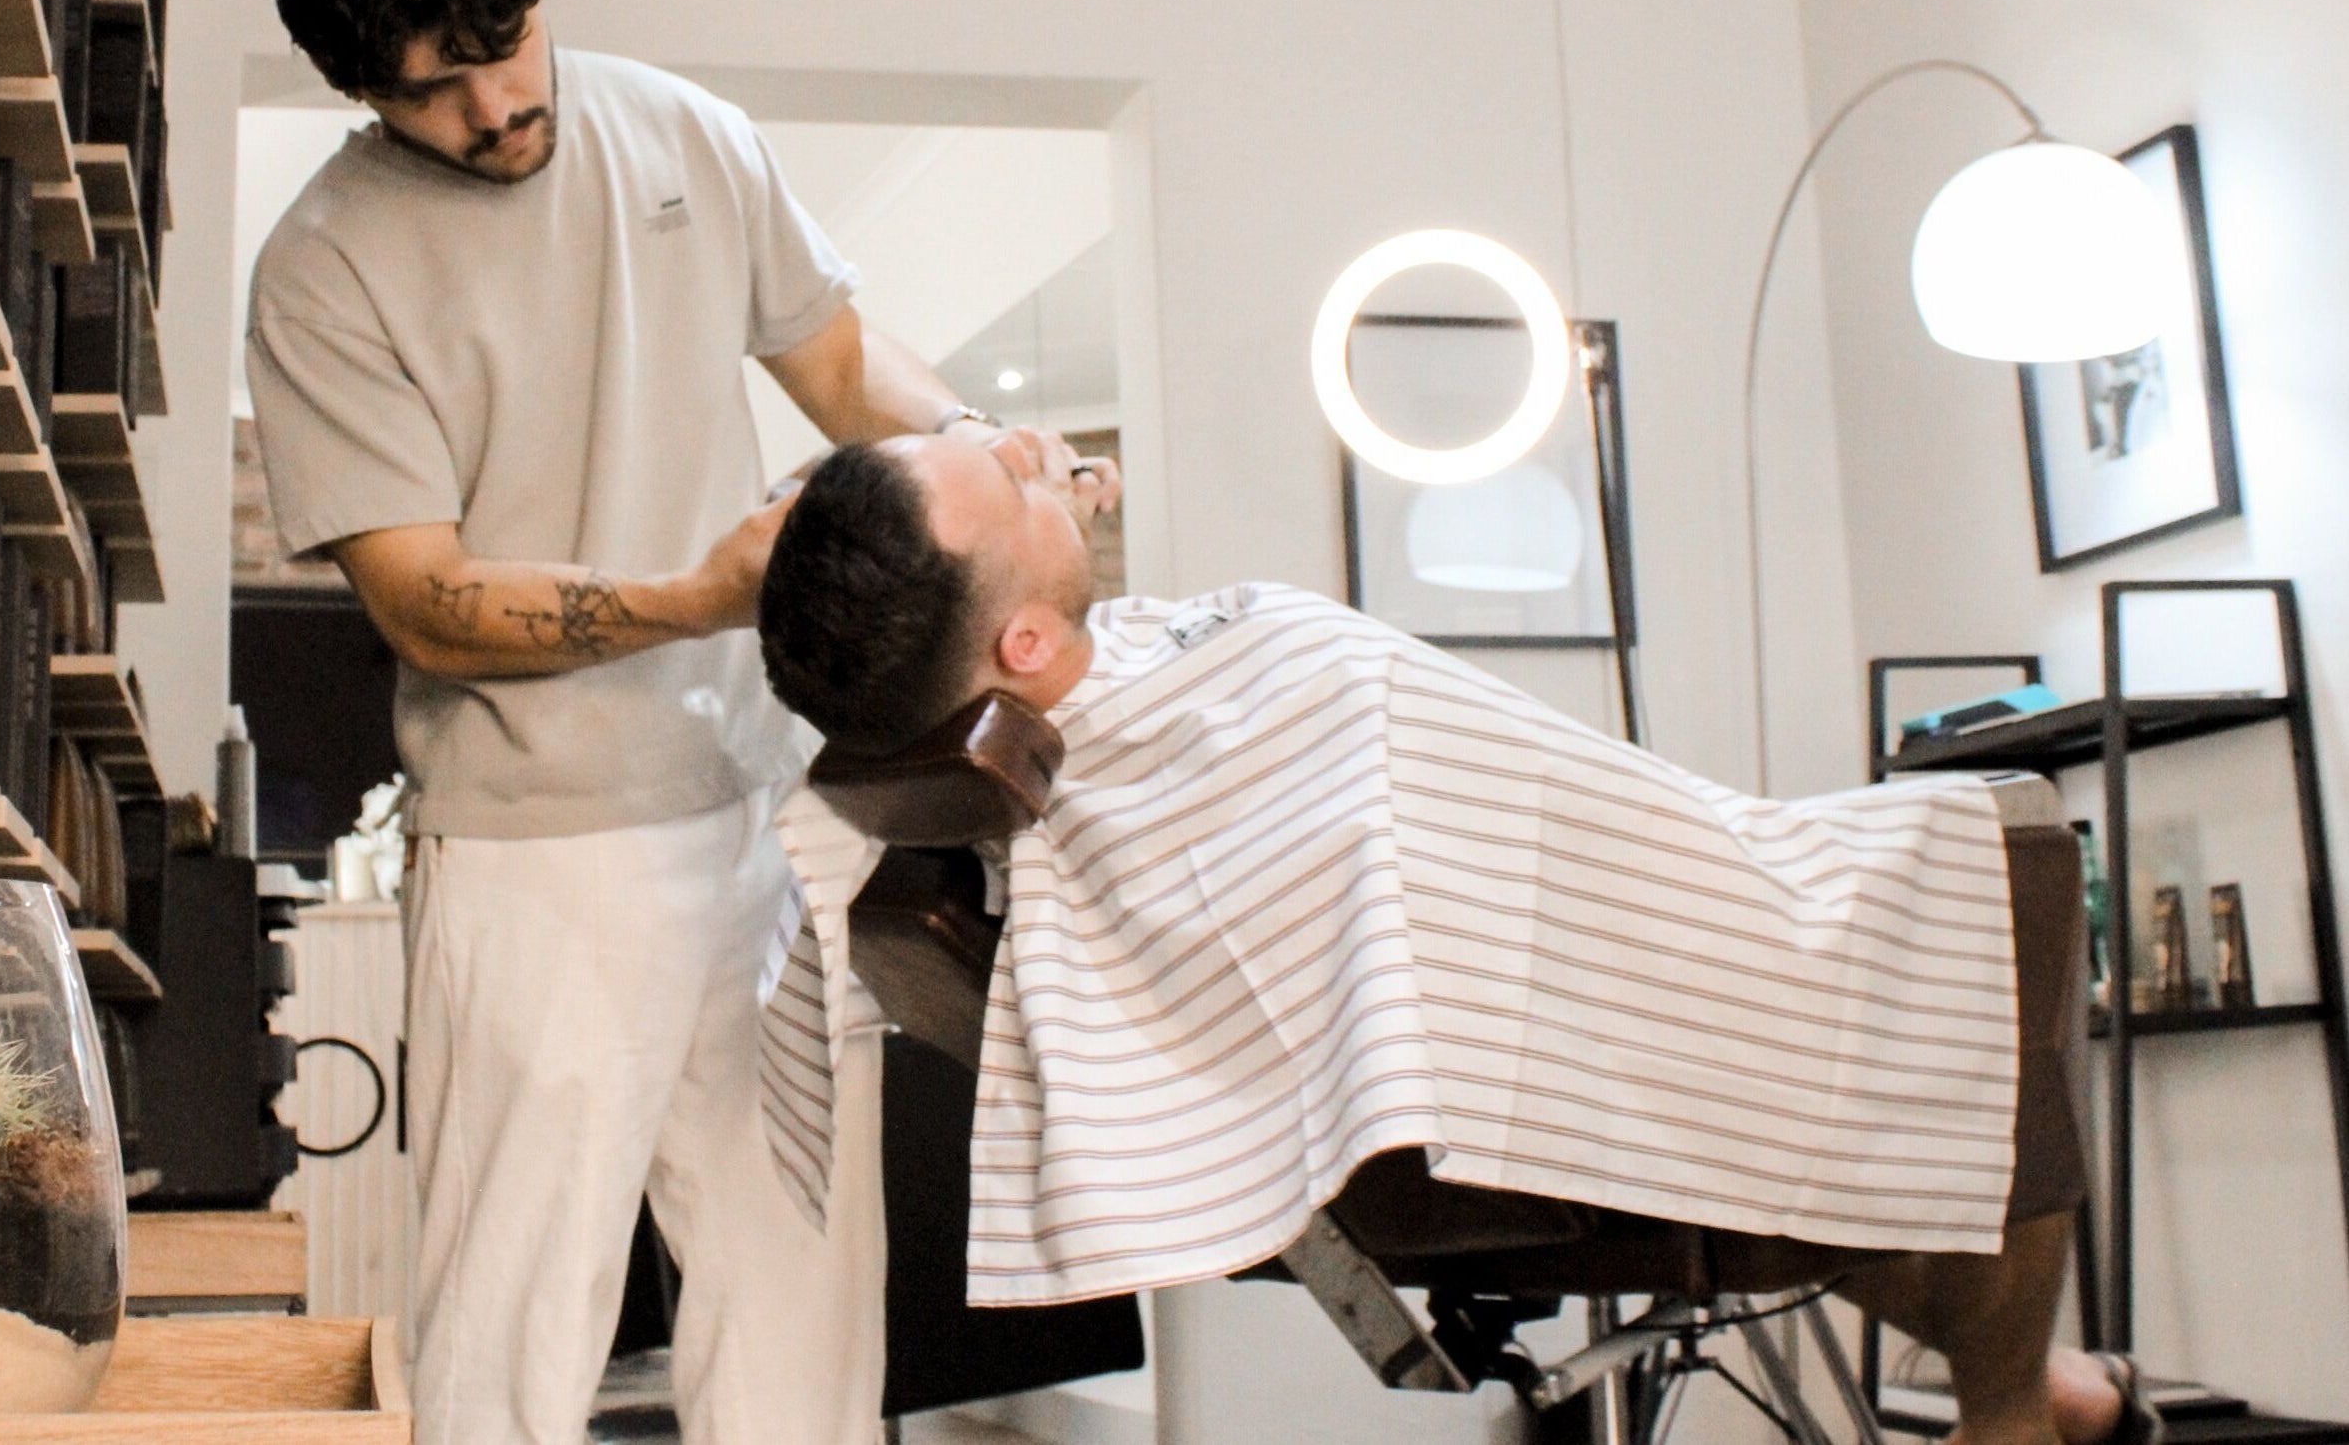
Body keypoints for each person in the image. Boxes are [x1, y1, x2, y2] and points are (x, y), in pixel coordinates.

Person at [752, 431, 2158, 1445]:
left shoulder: (1070, 764)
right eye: (1002, 478)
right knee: (1989, 862)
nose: (1024, 447)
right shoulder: (1193, 740)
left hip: (1593, 991)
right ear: (1021, 651)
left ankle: (2043, 1390)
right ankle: (2011, 1419)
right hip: (1597, 1041)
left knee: (1888, 1014)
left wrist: (1026, 512)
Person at [244, 0, 995, 1445]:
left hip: (767, 824)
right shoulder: (319, 269)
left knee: (802, 1319)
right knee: (509, 1348)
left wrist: (988, 463)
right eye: (436, 92)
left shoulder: (684, 134)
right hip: (535, 861)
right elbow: (423, 604)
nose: (497, 109)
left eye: (508, 48)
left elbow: (841, 367)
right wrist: (696, 598)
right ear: (356, 88)